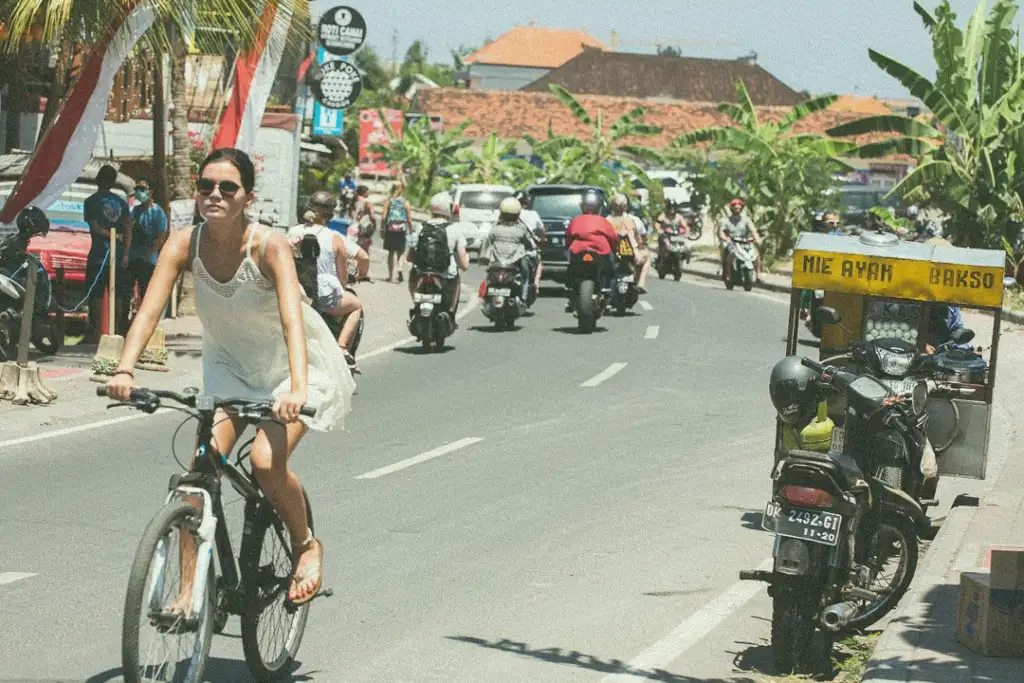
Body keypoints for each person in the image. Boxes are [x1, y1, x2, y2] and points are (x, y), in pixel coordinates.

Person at [106, 148, 355, 608]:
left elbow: (291, 322)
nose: (214, 195)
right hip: (229, 365)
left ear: (247, 197)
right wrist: (125, 368)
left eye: (227, 188)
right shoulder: (183, 243)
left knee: (264, 463)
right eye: (205, 186)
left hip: (291, 366)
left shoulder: (269, 245)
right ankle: (187, 592)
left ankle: (305, 545)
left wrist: (298, 390)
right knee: (195, 477)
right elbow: (149, 310)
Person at [287, 191, 365, 371]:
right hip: (323, 297)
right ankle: (342, 347)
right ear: (330, 214)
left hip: (298, 294)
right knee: (356, 305)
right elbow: (344, 275)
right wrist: (348, 282)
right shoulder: (334, 238)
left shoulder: (294, 232)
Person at [84, 164, 132, 340]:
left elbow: (94, 226)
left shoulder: (90, 202)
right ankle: (117, 331)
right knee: (117, 294)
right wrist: (124, 250)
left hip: (98, 255)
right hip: (117, 255)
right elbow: (128, 228)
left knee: (95, 294)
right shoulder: (121, 203)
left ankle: (95, 333)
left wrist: (111, 237)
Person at [407, 193, 469, 318]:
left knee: (412, 274)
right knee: (456, 278)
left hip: (422, 272)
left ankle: (416, 302)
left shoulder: (420, 226)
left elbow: (410, 256)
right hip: (446, 273)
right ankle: (451, 308)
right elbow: (464, 264)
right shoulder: (455, 229)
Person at [564, 189, 618, 311]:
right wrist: (615, 251)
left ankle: (570, 294)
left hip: (578, 252)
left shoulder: (576, 220)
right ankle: (608, 293)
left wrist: (568, 248)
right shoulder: (603, 221)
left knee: (571, 270)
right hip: (601, 253)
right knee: (611, 271)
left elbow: (568, 237)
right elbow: (613, 239)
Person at [478, 197, 537, 302]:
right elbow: (529, 243)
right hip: (515, 262)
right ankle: (523, 296)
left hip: (497, 262)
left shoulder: (495, 227)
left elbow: (487, 241)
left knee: (489, 273)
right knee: (525, 274)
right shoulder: (521, 228)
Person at [127, 178, 168, 311]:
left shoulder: (157, 212)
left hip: (148, 261)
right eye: (137, 189)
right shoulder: (135, 211)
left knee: (147, 294)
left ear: (151, 192)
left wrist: (149, 254)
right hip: (133, 258)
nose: (139, 192)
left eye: (142, 189)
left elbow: (160, 237)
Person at [608, 193, 651, 293]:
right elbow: (634, 236)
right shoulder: (630, 221)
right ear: (626, 206)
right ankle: (641, 283)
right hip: (629, 253)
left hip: (611, 254)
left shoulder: (607, 220)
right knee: (648, 257)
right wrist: (638, 249)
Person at [718, 197, 763, 283]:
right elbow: (721, 233)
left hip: (745, 243)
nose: (737, 210)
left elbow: (753, 230)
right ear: (731, 209)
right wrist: (726, 238)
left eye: (739, 208)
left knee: (756, 254)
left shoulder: (746, 219)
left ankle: (758, 276)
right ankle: (729, 275)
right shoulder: (726, 220)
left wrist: (757, 239)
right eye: (735, 208)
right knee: (731, 253)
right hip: (732, 243)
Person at [513, 190, 544, 291]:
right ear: (527, 202)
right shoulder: (533, 214)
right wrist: (542, 239)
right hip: (527, 253)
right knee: (539, 262)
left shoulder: (505, 215)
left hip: (507, 251)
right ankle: (535, 285)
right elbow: (541, 230)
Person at [382, 183, 412, 282]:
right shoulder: (405, 202)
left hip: (390, 228)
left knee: (391, 252)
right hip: (401, 229)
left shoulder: (388, 201)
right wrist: (411, 230)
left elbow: (383, 217)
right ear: (402, 190)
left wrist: (382, 229)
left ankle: (390, 276)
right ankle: (400, 268)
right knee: (401, 251)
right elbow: (409, 219)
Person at [350, 185, 376, 254]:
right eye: (368, 192)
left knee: (354, 247)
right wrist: (374, 225)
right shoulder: (367, 202)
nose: (369, 194)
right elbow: (373, 216)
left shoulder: (354, 201)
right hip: (364, 227)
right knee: (364, 248)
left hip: (354, 226)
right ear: (363, 193)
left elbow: (351, 214)